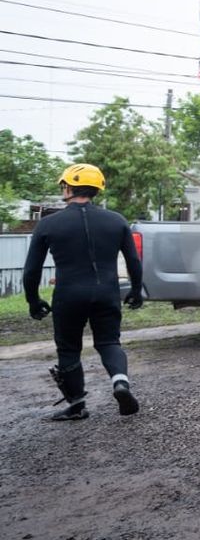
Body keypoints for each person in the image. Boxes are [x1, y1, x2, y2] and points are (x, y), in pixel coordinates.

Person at [22, 163, 144, 421]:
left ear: (69, 186)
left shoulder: (48, 224)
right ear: (96, 189)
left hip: (69, 295)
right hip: (107, 292)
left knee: (68, 348)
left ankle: (77, 405)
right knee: (109, 342)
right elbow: (134, 261)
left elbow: (31, 270)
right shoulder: (116, 220)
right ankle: (120, 383)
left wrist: (33, 300)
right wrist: (135, 289)